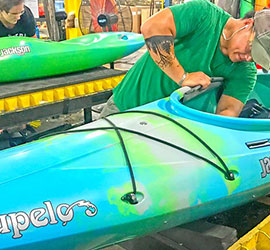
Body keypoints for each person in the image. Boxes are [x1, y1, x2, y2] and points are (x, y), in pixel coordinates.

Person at [100, 0, 270, 118]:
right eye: (250, 48)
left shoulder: (245, 72)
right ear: (247, 24)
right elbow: (152, 27)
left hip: (166, 129)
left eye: (254, 58)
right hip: (126, 108)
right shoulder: (205, 16)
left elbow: (227, 113)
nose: (248, 57)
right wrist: (183, 76)